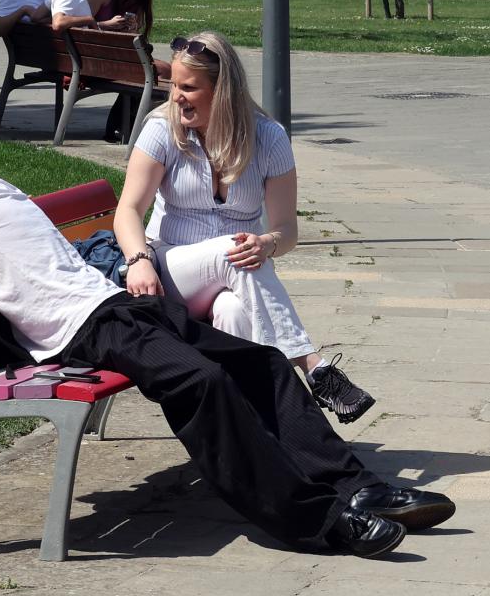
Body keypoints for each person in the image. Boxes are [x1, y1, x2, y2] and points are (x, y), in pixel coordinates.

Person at [0, 137, 455, 557]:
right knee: (203, 385)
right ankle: (318, 521)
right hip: (86, 325)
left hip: (119, 305)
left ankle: (355, 485)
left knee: (259, 360)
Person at [112, 30, 377, 424]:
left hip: (236, 277)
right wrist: (138, 260)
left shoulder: (268, 137)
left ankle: (253, 430)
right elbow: (127, 211)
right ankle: (314, 367)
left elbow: (287, 231)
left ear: (223, 92)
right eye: (173, 86)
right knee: (228, 251)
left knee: (235, 311)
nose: (175, 97)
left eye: (188, 87)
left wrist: (267, 244)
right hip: (169, 271)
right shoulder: (162, 128)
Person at [89, 0, 171, 142]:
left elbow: (130, 42)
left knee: (165, 69)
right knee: (156, 71)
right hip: (94, 61)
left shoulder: (137, 3)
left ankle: (126, 123)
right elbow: (79, 25)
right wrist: (106, 25)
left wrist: (132, 31)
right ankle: (123, 124)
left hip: (117, 58)